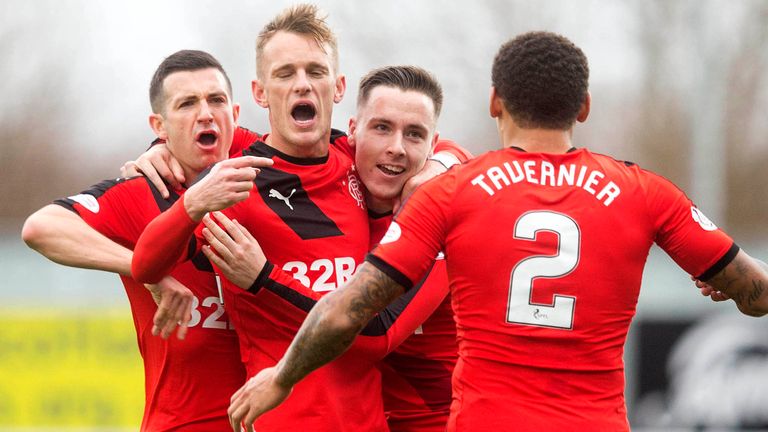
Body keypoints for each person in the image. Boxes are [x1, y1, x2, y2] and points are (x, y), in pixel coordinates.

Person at [226, 31, 768, 431]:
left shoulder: (450, 192)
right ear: (583, 106)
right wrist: (734, 289)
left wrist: (282, 377)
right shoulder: (644, 192)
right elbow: (757, 292)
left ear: (495, 104)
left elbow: (349, 309)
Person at [130, 6, 459, 432]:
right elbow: (146, 265)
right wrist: (189, 203)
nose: (302, 84)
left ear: (337, 87)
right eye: (285, 73)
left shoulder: (357, 162)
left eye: (316, 71)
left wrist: (442, 162)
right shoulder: (233, 182)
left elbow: (415, 136)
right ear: (261, 93)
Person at [198, 65, 468, 432]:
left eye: (415, 135)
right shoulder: (338, 177)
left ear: (431, 145)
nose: (396, 148)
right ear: (353, 132)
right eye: (382, 127)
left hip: (439, 423)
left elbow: (373, 333)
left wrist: (264, 280)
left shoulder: (441, 226)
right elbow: (246, 140)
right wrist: (161, 150)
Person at [21, 50, 272, 431]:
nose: (205, 112)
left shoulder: (274, 183)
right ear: (160, 126)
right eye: (187, 103)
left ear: (235, 115)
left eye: (216, 100)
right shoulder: (143, 192)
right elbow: (41, 228)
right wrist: (145, 269)